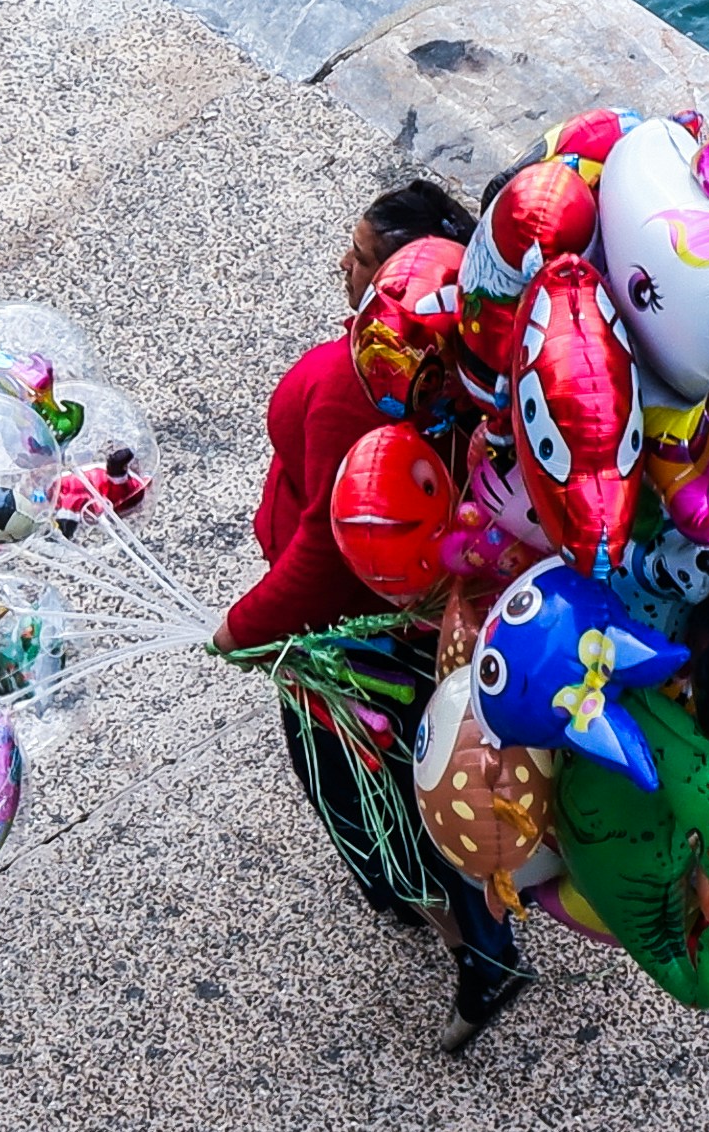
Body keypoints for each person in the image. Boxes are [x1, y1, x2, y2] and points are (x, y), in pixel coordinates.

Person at [222, 176, 533, 1045]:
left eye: (361, 259)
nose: (345, 268)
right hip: (436, 620)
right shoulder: (474, 373)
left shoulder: (349, 386)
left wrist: (245, 629)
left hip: (349, 634)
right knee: (433, 766)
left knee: (362, 785)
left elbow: (329, 545)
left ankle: (474, 945)